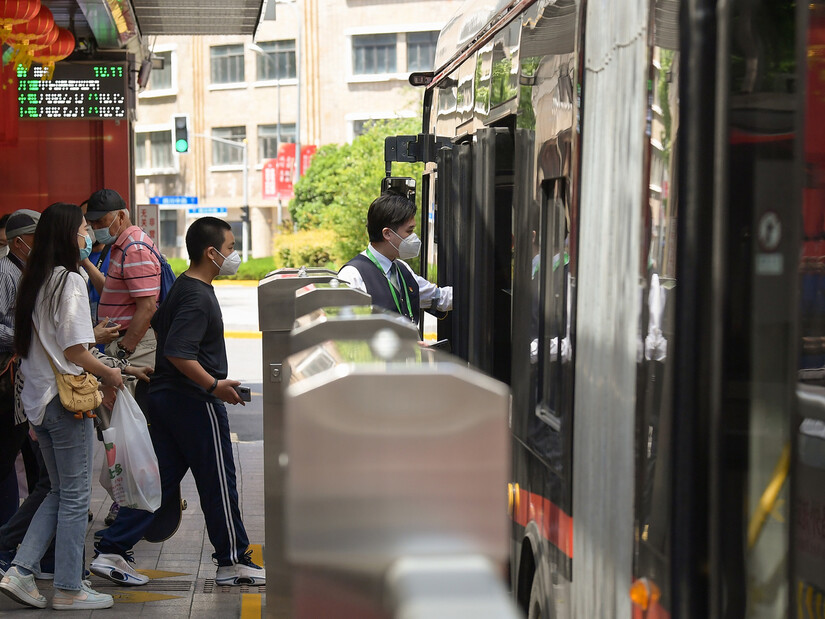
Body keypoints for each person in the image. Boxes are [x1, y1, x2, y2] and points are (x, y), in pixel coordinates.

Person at [91, 216, 265, 587]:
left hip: (168, 399)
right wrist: (214, 385)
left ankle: (113, 550)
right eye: (231, 248)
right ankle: (232, 561)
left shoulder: (184, 288)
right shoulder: (198, 297)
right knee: (218, 481)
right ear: (211, 252)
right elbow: (179, 352)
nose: (234, 255)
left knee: (160, 482)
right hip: (193, 401)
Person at [0, 202, 124, 610]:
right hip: (65, 400)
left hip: (39, 400)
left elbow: (46, 344)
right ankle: (70, 587)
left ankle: (19, 571)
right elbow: (73, 348)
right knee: (74, 496)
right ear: (68, 234)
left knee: (58, 490)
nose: (87, 235)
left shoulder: (36, 279)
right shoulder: (68, 280)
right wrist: (110, 375)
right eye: (83, 228)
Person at [338, 192, 452, 320]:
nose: (414, 237)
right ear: (387, 234)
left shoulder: (402, 268)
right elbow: (348, 333)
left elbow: (440, 298)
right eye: (409, 231)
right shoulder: (352, 276)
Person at [85, 189, 160, 372]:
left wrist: (124, 349)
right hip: (127, 344)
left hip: (133, 347)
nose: (95, 228)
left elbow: (148, 307)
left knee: (129, 399)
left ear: (120, 216)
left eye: (100, 222)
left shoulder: (134, 249)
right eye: (92, 223)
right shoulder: (122, 245)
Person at [0, 210, 40, 526]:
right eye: (35, 237)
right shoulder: (6, 273)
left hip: (24, 378)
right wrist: (26, 340)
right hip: (7, 379)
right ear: (18, 242)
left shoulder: (28, 272)